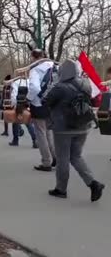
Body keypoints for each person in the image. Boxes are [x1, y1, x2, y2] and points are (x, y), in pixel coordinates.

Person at [44, 59, 105, 202]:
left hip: (63, 128)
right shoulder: (85, 84)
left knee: (63, 159)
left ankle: (61, 189)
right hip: (83, 126)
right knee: (76, 156)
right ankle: (93, 183)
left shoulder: (59, 87)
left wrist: (52, 84)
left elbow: (46, 101)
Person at [27, 49, 56, 172]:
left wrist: (28, 99)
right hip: (53, 103)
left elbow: (34, 87)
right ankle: (55, 158)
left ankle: (46, 162)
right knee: (49, 133)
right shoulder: (55, 67)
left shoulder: (35, 69)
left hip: (39, 104)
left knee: (41, 134)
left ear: (34, 57)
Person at [8, 78, 38, 148]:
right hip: (27, 104)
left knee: (15, 122)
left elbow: (14, 95)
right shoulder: (29, 81)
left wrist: (13, 105)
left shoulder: (16, 82)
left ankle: (15, 140)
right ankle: (35, 140)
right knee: (28, 123)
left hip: (18, 105)